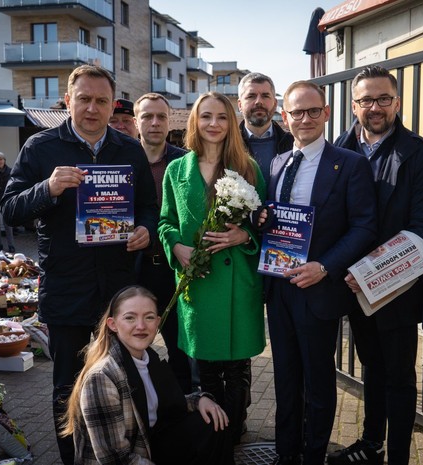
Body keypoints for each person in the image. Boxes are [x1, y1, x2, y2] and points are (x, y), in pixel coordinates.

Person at [0, 64, 157, 465]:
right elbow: (10, 210)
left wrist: (145, 229)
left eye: (101, 101)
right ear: (68, 101)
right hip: (66, 286)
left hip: (117, 289)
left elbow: (149, 206)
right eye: (84, 99)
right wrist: (47, 188)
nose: (92, 108)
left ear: (112, 104)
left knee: (124, 379)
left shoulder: (129, 149)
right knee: (67, 388)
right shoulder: (40, 147)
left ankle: (122, 457)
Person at [328, 66, 423, 465]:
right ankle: (371, 443)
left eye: (383, 99)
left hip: (397, 286)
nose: (374, 107)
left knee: (398, 376)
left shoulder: (421, 154)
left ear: (396, 102)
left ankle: (398, 457)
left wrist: (374, 274)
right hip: (351, 286)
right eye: (366, 100)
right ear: (354, 105)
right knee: (371, 368)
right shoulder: (339, 148)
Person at [265, 81, 378, 465]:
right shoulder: (278, 163)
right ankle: (286, 453)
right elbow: (273, 219)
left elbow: (364, 227)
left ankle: (313, 455)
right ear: (285, 117)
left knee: (318, 381)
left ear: (326, 113)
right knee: (285, 377)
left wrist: (325, 266)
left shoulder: (350, 164)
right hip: (279, 289)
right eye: (297, 112)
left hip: (319, 290)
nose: (305, 119)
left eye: (313, 111)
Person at [158, 91, 266, 445]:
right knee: (204, 369)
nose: (213, 124)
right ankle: (213, 438)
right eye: (206, 116)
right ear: (195, 121)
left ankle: (232, 435)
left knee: (236, 369)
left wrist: (243, 235)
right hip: (198, 282)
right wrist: (177, 247)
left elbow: (265, 225)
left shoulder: (248, 168)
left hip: (237, 283)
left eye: (221, 117)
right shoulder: (177, 170)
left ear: (231, 123)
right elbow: (165, 221)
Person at [61, 286, 234, 465]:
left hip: (147, 442)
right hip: (125, 458)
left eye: (149, 317)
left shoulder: (147, 357)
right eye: (130, 318)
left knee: (213, 422)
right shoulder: (101, 377)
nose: (141, 326)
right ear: (113, 324)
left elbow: (165, 404)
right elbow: (116, 459)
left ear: (158, 322)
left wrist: (199, 400)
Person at [132, 92, 192, 394]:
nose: (154, 123)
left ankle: (184, 404)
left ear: (170, 122)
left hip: (174, 269)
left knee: (180, 346)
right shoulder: (123, 160)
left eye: (161, 117)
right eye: (147, 116)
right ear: (136, 122)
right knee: (132, 344)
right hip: (133, 269)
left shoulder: (186, 162)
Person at [237, 72, 294, 182]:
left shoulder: (293, 143)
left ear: (275, 103)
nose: (259, 102)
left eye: (265, 96)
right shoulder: (227, 144)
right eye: (251, 96)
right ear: (240, 105)